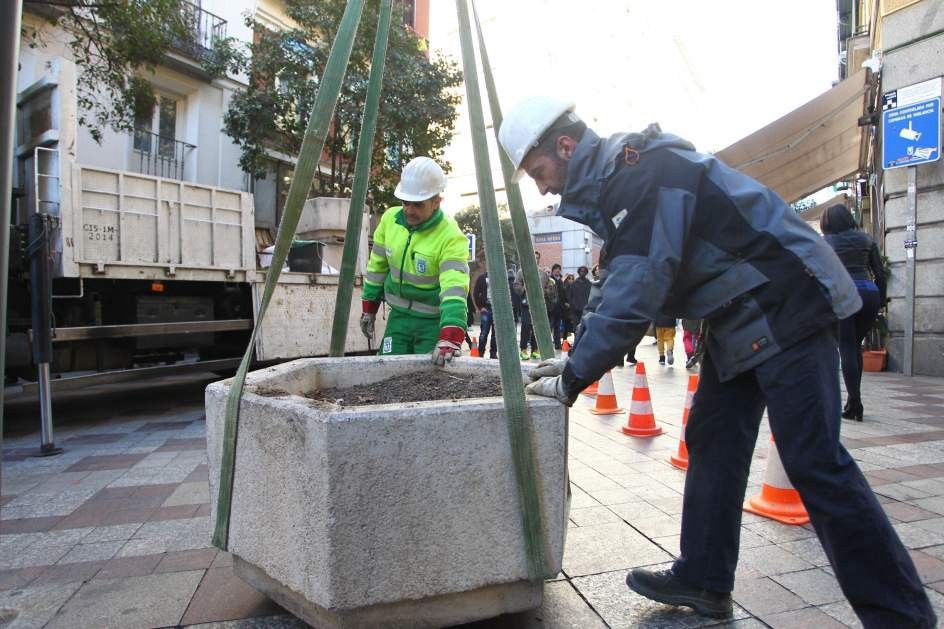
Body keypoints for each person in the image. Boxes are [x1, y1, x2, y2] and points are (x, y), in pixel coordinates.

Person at [501, 96, 934, 627]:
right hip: (740, 311)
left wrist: (574, 377)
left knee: (814, 460)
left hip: (784, 296)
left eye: (540, 172)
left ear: (566, 147)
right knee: (714, 437)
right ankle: (704, 578)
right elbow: (612, 281)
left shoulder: (643, 173)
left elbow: (639, 285)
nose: (542, 187)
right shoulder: (622, 182)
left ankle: (903, 616)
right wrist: (569, 358)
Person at [360, 157, 471, 366]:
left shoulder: (450, 236)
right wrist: (369, 307)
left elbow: (454, 287)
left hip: (432, 324)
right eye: (405, 202)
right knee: (386, 372)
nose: (409, 210)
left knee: (428, 379)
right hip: (398, 319)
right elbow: (377, 267)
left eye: (418, 204)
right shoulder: (390, 220)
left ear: (437, 201)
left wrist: (451, 333)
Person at [821, 204, 887, 422]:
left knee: (846, 346)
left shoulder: (826, 242)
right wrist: (881, 302)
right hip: (869, 294)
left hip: (843, 294)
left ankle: (855, 403)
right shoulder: (866, 239)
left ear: (828, 222)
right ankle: (852, 401)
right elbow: (879, 273)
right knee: (855, 346)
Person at [513, 250, 550, 359]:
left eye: (538, 257)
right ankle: (523, 350)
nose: (536, 259)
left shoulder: (543, 274)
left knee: (537, 328)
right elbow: (516, 285)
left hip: (540, 305)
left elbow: (549, 288)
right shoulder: (521, 272)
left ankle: (535, 349)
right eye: (534, 257)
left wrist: (548, 291)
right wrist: (524, 288)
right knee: (526, 326)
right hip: (527, 304)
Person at [472, 271, 499, 359]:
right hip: (486, 308)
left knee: (496, 334)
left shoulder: (499, 277)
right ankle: (480, 353)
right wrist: (480, 307)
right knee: (484, 333)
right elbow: (476, 292)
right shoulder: (482, 277)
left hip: (496, 308)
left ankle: (493, 354)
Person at [549, 263, 567, 349]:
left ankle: (557, 344)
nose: (558, 270)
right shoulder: (549, 280)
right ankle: (546, 344)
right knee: (549, 326)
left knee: (557, 328)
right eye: (556, 269)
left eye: (559, 269)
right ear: (552, 270)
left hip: (559, 309)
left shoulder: (561, 281)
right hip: (551, 308)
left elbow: (563, 295)